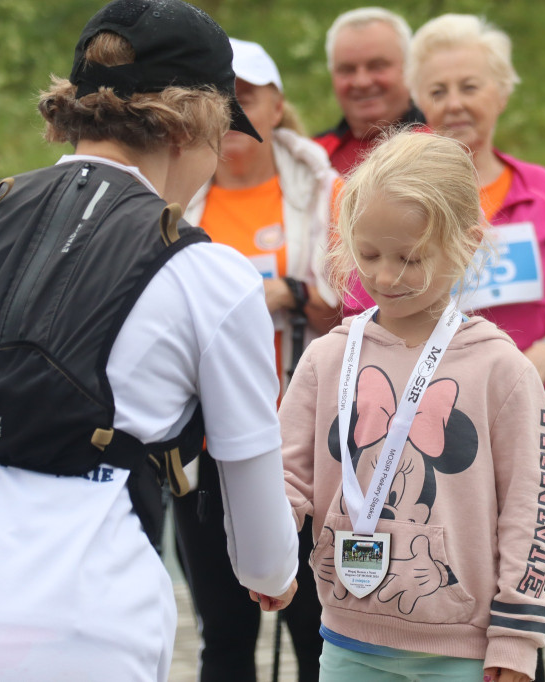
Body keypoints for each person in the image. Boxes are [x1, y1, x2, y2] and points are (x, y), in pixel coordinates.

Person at [0, 1, 299, 680]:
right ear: (193, 122)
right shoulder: (212, 276)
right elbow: (254, 510)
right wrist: (273, 572)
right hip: (89, 637)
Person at [342, 17, 545, 680]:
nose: (455, 101)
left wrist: (541, 359)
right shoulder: (396, 190)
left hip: (531, 429)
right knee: (428, 611)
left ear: (502, 92)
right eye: (438, 87)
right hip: (417, 443)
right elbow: (357, 303)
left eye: (470, 85)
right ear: (418, 98)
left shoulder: (540, 190)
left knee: (516, 615)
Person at [281, 130, 545, 682]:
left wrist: (516, 636)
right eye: (368, 254)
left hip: (463, 653)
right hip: (348, 641)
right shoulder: (327, 358)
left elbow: (531, 511)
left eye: (410, 259)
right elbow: (284, 475)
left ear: (467, 241)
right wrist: (266, 556)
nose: (385, 277)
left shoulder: (501, 370)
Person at [172, 37, 338, 682]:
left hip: (302, 446)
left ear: (276, 107)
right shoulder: (174, 197)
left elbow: (356, 307)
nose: (231, 111)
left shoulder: (327, 191)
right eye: (217, 98)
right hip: (206, 447)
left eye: (245, 96)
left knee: (316, 632)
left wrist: (290, 293)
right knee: (225, 636)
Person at [314, 7, 426, 174]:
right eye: (347, 69)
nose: (362, 82)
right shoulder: (311, 155)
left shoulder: (447, 141)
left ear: (409, 68)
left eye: (377, 66)